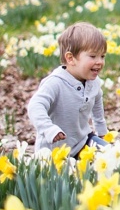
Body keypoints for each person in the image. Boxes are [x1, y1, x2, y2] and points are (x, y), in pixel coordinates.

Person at [27, 21, 109, 158]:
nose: (99, 61)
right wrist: (48, 129)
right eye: (93, 56)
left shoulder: (93, 82)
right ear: (71, 58)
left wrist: (101, 130)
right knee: (63, 178)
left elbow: (97, 100)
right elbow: (35, 106)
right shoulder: (55, 83)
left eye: (102, 56)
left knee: (112, 155)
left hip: (83, 141)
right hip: (54, 150)